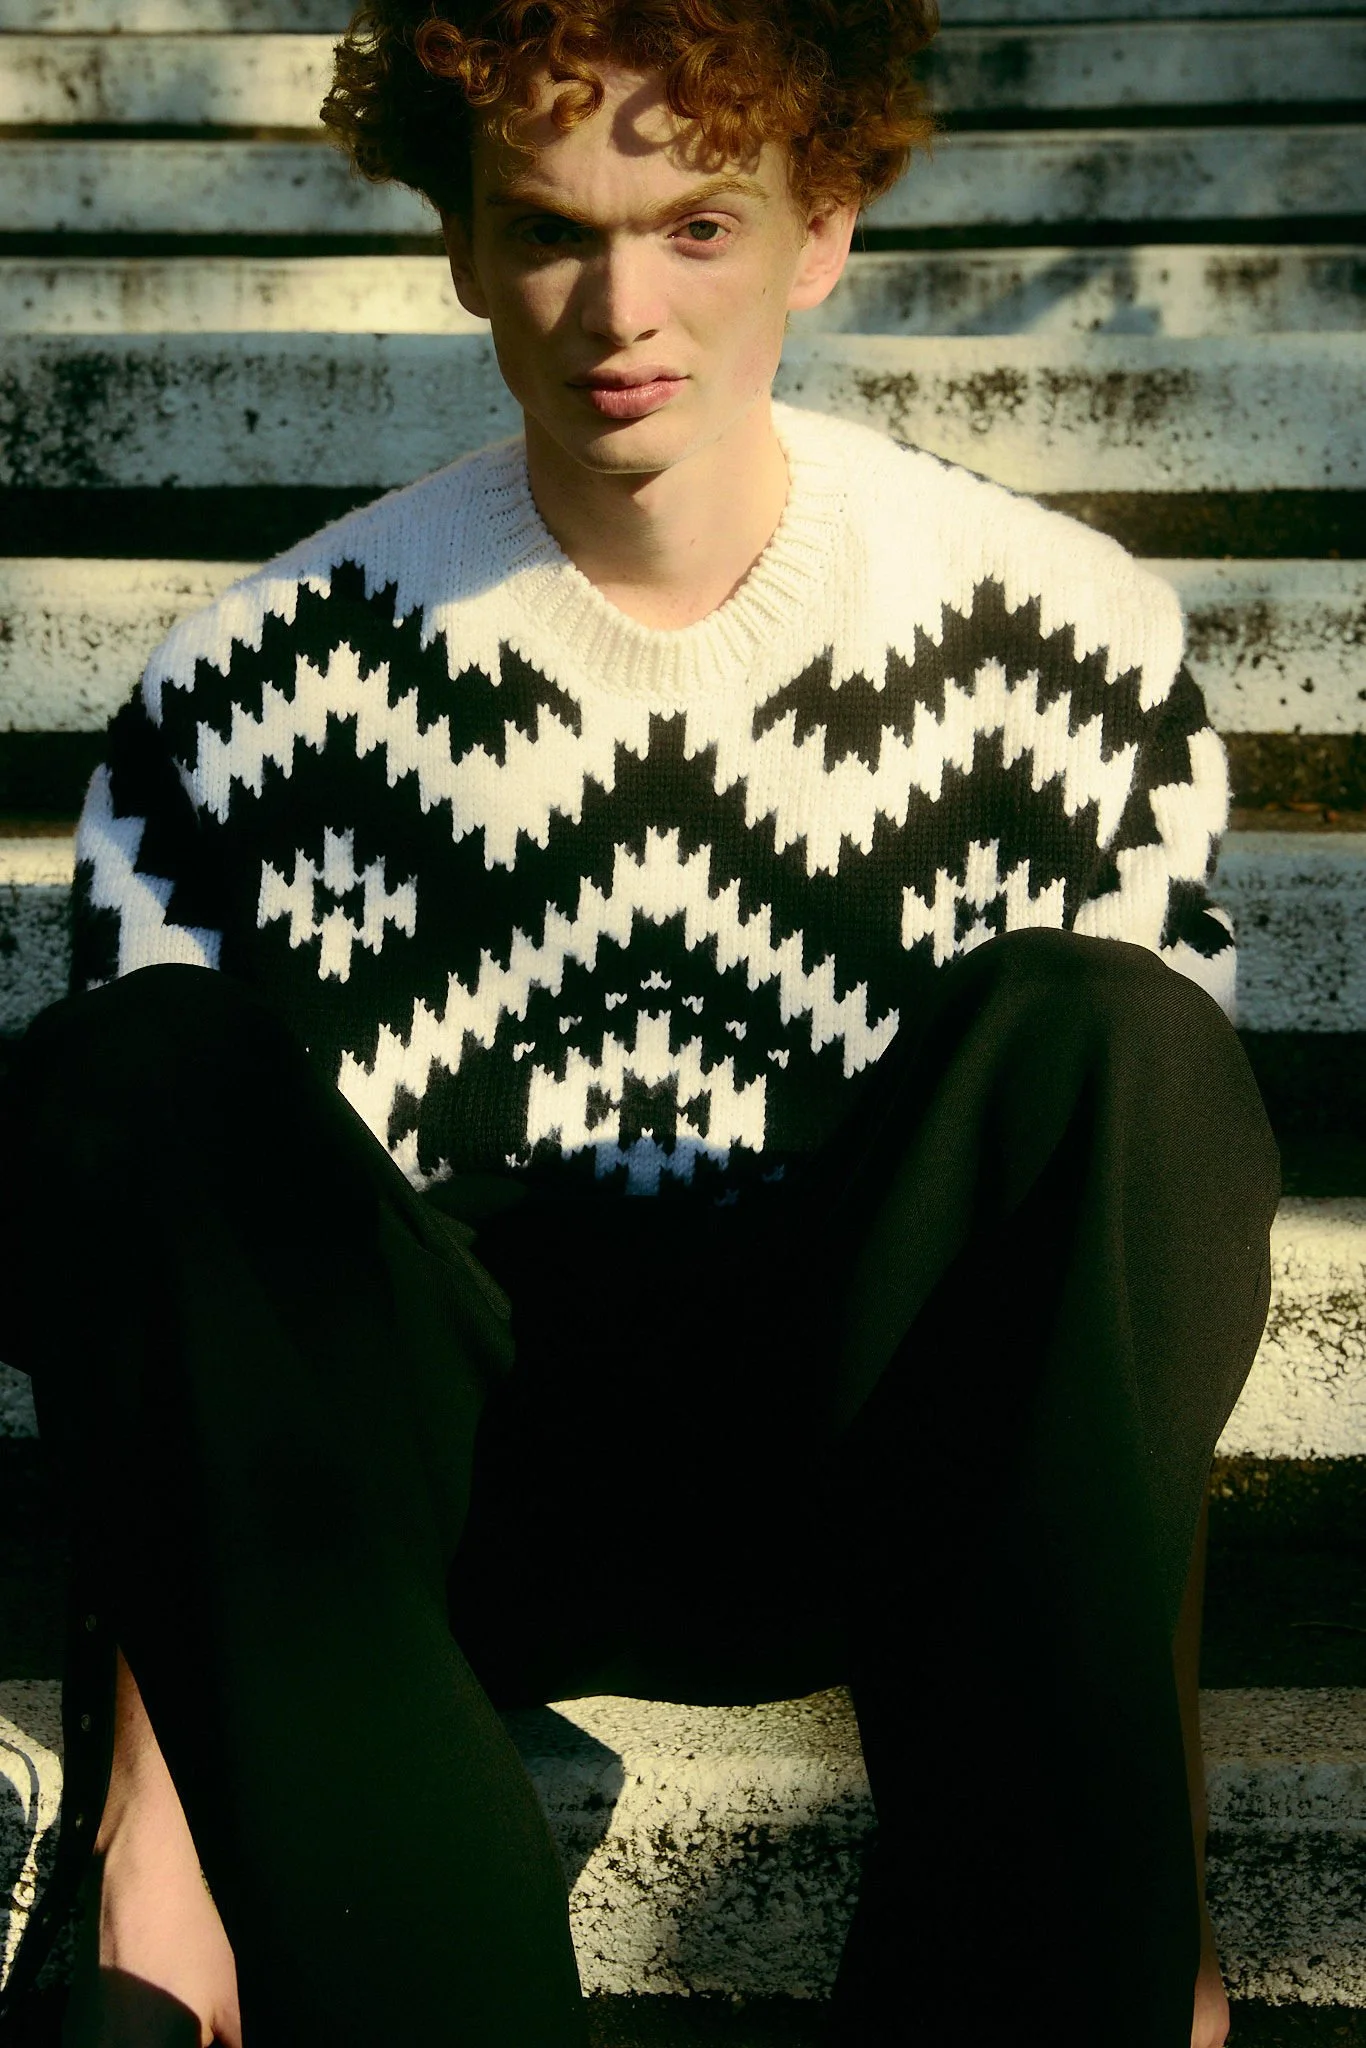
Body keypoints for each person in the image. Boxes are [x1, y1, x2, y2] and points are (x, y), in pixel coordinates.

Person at [0, 2, 1279, 2043]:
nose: (620, 312)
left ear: (820, 227)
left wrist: (1160, 1882)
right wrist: (162, 1823)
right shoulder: (256, 682)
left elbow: (1119, 1335)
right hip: (411, 1534)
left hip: (872, 1482)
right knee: (127, 1071)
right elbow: (182, 1341)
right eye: (548, 230)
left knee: (1111, 1036)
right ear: (459, 244)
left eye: (695, 225)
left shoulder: (1059, 638)